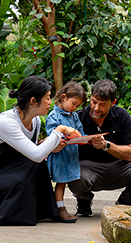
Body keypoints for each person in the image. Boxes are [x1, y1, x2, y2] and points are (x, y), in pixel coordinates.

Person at [0, 76, 78, 226]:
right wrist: (59, 130)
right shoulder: (7, 122)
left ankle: (42, 210)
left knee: (37, 165)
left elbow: (29, 150)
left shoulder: (34, 121)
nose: (50, 103)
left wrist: (52, 144)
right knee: (36, 162)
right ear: (33, 101)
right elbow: (35, 154)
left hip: (2, 172)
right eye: (47, 98)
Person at [66, 79, 131, 217]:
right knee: (71, 171)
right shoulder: (78, 117)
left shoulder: (122, 116)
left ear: (113, 103)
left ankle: (124, 202)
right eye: (94, 102)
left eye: (102, 105)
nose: (96, 108)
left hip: (120, 167)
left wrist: (106, 146)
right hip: (89, 170)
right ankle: (83, 201)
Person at [45, 81, 86, 223]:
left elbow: (80, 130)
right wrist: (63, 136)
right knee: (60, 183)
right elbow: (52, 133)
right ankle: (60, 209)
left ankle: (58, 207)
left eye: (78, 106)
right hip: (60, 156)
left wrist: (83, 137)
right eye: (74, 103)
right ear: (63, 97)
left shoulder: (74, 116)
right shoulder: (53, 116)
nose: (75, 108)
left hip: (70, 155)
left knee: (66, 181)